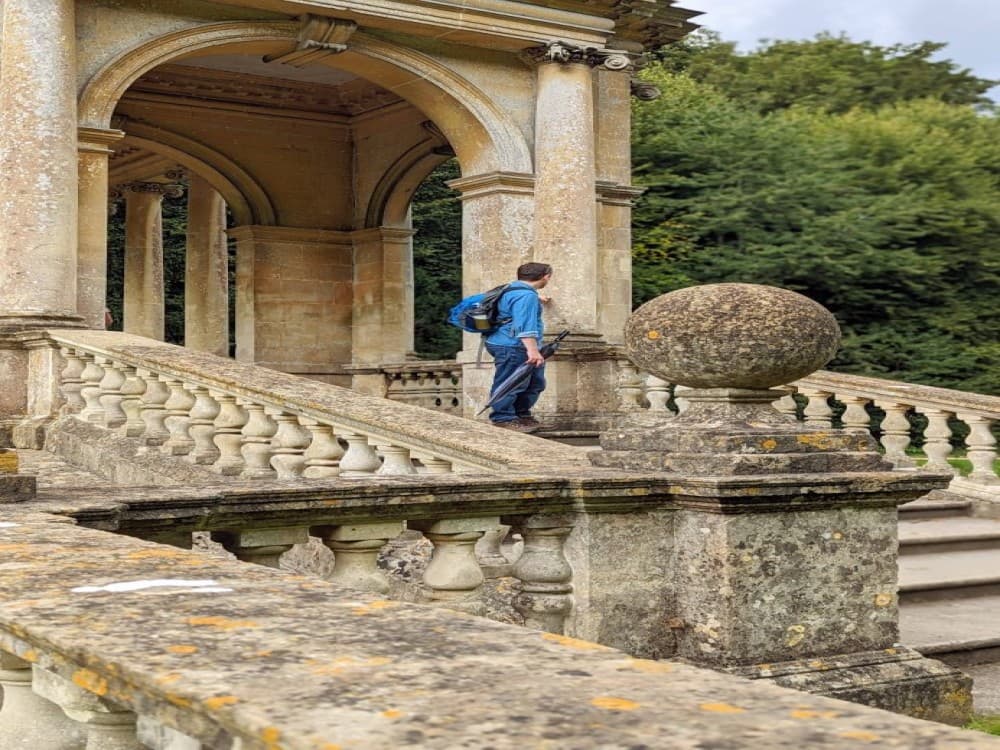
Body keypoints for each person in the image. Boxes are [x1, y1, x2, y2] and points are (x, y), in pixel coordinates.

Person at [485, 262, 553, 433]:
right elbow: (525, 326)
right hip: (513, 345)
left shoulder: (511, 289)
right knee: (512, 382)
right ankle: (503, 418)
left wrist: (537, 298)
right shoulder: (526, 296)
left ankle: (521, 415)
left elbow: (512, 306)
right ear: (546, 276)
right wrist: (533, 350)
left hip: (502, 341)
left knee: (534, 382)